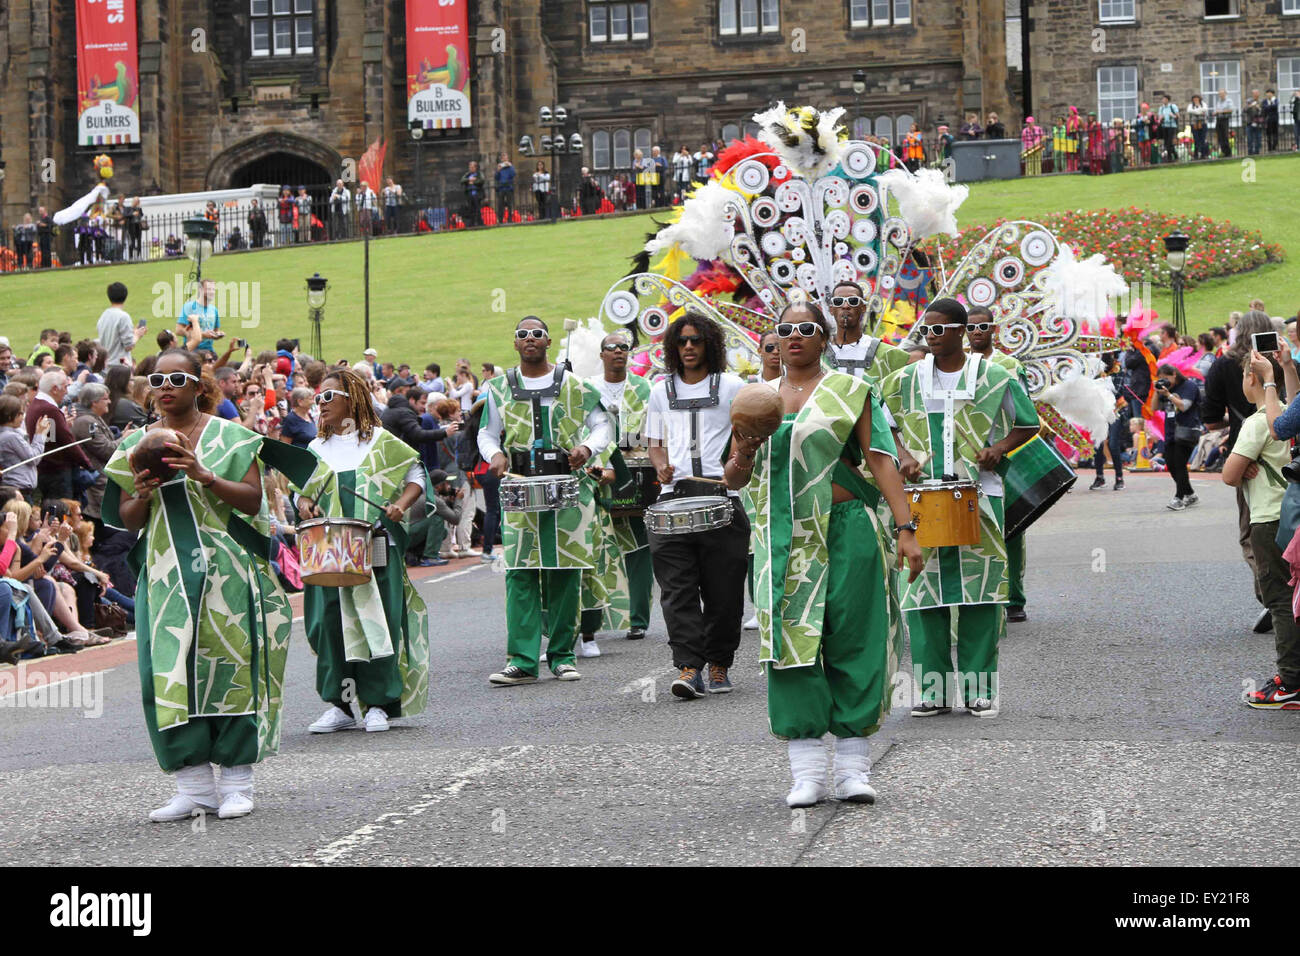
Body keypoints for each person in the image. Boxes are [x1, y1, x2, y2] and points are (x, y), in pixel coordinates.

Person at [724, 303, 922, 807]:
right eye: (784, 330)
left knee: (856, 636)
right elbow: (734, 478)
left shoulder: (851, 391)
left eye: (806, 329)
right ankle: (807, 771)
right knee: (791, 644)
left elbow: (880, 458)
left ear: (825, 338)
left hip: (848, 529)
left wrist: (906, 528)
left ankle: (853, 767)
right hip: (781, 537)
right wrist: (744, 450)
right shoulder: (755, 398)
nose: (793, 337)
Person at [102, 348, 297, 821]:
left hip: (225, 569)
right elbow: (128, 520)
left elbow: (252, 502)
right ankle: (192, 787)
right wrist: (142, 496)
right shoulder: (137, 445)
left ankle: (235, 782)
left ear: (198, 385)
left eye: (177, 379)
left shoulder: (231, 436)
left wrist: (204, 475)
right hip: (166, 574)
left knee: (229, 665)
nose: (165, 387)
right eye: (157, 380)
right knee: (167, 670)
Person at [880, 298, 1040, 718]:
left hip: (979, 495)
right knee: (922, 593)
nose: (929, 337)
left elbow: (1028, 421)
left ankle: (978, 690)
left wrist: (998, 448)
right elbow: (883, 426)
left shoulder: (994, 375)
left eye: (937, 330)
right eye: (925, 331)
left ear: (960, 331)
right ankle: (932, 691)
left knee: (981, 594)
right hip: (920, 500)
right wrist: (903, 455)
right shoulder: (903, 379)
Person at [294, 367, 432, 735]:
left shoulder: (382, 443)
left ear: (351, 399)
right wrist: (305, 504)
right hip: (328, 551)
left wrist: (400, 506)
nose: (319, 404)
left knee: (378, 620)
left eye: (328, 397)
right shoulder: (315, 448)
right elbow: (302, 495)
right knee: (329, 626)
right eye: (317, 398)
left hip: (374, 545)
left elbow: (416, 478)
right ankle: (340, 705)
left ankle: (378, 704)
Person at [476, 316, 611, 686]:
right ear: (515, 343)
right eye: (523, 335)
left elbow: (603, 424)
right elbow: (487, 434)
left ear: (548, 341)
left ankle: (563, 656)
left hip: (567, 483)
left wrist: (587, 446)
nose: (530, 339)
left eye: (537, 333)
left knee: (565, 571)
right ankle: (521, 660)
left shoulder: (572, 384)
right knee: (519, 571)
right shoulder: (499, 387)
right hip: (520, 485)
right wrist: (495, 456)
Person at [644, 312, 749, 698]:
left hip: (722, 499)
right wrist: (661, 466)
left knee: (723, 591)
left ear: (710, 344)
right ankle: (689, 667)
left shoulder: (734, 387)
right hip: (672, 501)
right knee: (677, 590)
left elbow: (745, 436)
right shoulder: (660, 391)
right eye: (681, 341)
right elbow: (654, 444)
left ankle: (720, 662)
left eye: (696, 340)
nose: (688, 347)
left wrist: (736, 463)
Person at [1231, 350, 1300, 708]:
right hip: (1288, 510)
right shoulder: (1287, 406)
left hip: (1272, 516)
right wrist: (1286, 368)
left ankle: (1291, 681)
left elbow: (1229, 473)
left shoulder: (1259, 421)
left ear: (1251, 379)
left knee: (1281, 599)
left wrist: (1274, 374)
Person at [580, 330, 655, 655]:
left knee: (639, 546)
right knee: (599, 547)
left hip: (636, 473)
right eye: (611, 347)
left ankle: (638, 618)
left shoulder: (644, 387)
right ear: (602, 354)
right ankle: (594, 621)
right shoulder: (588, 389)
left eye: (624, 348)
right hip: (598, 473)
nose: (618, 352)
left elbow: (655, 428)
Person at [1205, 309, 1273, 625]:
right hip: (1288, 454)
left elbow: (1210, 418)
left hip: (1246, 456)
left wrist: (1234, 419)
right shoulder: (1285, 363)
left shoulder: (1223, 365)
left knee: (1251, 531)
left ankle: (1274, 598)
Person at [826, 281, 911, 384]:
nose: (845, 306)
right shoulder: (818, 354)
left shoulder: (885, 353)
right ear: (831, 309)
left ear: (863, 308)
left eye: (853, 301)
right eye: (838, 301)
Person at [1154, 363, 1202, 511]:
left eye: (1165, 378)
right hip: (1170, 432)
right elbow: (1154, 408)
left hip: (1187, 430)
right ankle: (1190, 493)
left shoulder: (1189, 386)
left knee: (1180, 463)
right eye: (1160, 379)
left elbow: (1184, 406)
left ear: (1174, 374)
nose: (1164, 381)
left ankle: (1179, 497)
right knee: (1171, 464)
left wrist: (1168, 395)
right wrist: (1157, 391)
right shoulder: (1167, 389)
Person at [96, 281, 145, 368]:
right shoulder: (123, 317)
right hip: (120, 365)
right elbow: (129, 345)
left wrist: (133, 332)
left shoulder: (103, 316)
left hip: (106, 365)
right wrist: (137, 335)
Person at [177, 278, 222, 355]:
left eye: (213, 289)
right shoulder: (189, 307)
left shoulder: (214, 310)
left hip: (209, 351)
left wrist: (218, 334)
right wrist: (204, 335)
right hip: (192, 350)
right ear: (200, 289)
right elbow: (179, 330)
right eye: (208, 289)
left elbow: (215, 330)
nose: (211, 292)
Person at [461, 160, 485, 227]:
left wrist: (474, 182)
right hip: (469, 194)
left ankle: (480, 223)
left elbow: (482, 180)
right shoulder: (467, 174)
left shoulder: (479, 174)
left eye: (472, 167)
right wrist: (469, 180)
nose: (470, 168)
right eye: (470, 167)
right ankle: (471, 224)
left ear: (475, 167)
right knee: (471, 209)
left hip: (477, 194)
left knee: (477, 209)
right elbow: (462, 180)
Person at [494, 153, 516, 223]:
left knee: (510, 204)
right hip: (501, 188)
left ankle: (510, 219)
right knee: (500, 205)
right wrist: (498, 170)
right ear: (501, 159)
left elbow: (513, 174)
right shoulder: (500, 166)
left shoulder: (510, 166)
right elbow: (496, 177)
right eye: (503, 157)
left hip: (509, 187)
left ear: (507, 158)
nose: (504, 158)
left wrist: (511, 166)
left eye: (505, 157)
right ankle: (500, 219)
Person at [1188, 94, 1209, 160]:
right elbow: (1189, 110)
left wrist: (1197, 109)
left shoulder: (1203, 104)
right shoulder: (1190, 105)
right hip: (1194, 124)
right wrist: (1199, 111)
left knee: (1202, 139)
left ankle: (1203, 154)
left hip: (1203, 123)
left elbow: (1205, 109)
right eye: (1194, 99)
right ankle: (1196, 155)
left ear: (1199, 99)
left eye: (1197, 99)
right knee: (1196, 140)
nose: (1196, 100)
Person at [1214, 88, 1234, 156]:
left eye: (1222, 94)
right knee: (1219, 136)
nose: (1221, 95)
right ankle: (1223, 151)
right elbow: (1217, 109)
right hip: (1218, 119)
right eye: (1220, 94)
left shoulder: (1229, 101)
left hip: (1225, 119)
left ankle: (1228, 152)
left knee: (1225, 136)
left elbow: (1231, 109)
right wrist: (1216, 112)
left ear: (1225, 94)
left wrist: (1221, 111)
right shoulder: (1219, 101)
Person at [1244, 90, 1263, 156]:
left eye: (1257, 93)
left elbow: (1263, 111)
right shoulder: (1249, 101)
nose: (1255, 95)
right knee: (1249, 138)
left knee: (1258, 138)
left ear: (1259, 94)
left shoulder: (1261, 102)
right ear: (1252, 94)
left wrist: (1259, 108)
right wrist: (1251, 106)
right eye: (1254, 94)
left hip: (1258, 123)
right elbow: (1244, 110)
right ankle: (1250, 152)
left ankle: (1257, 152)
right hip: (1249, 122)